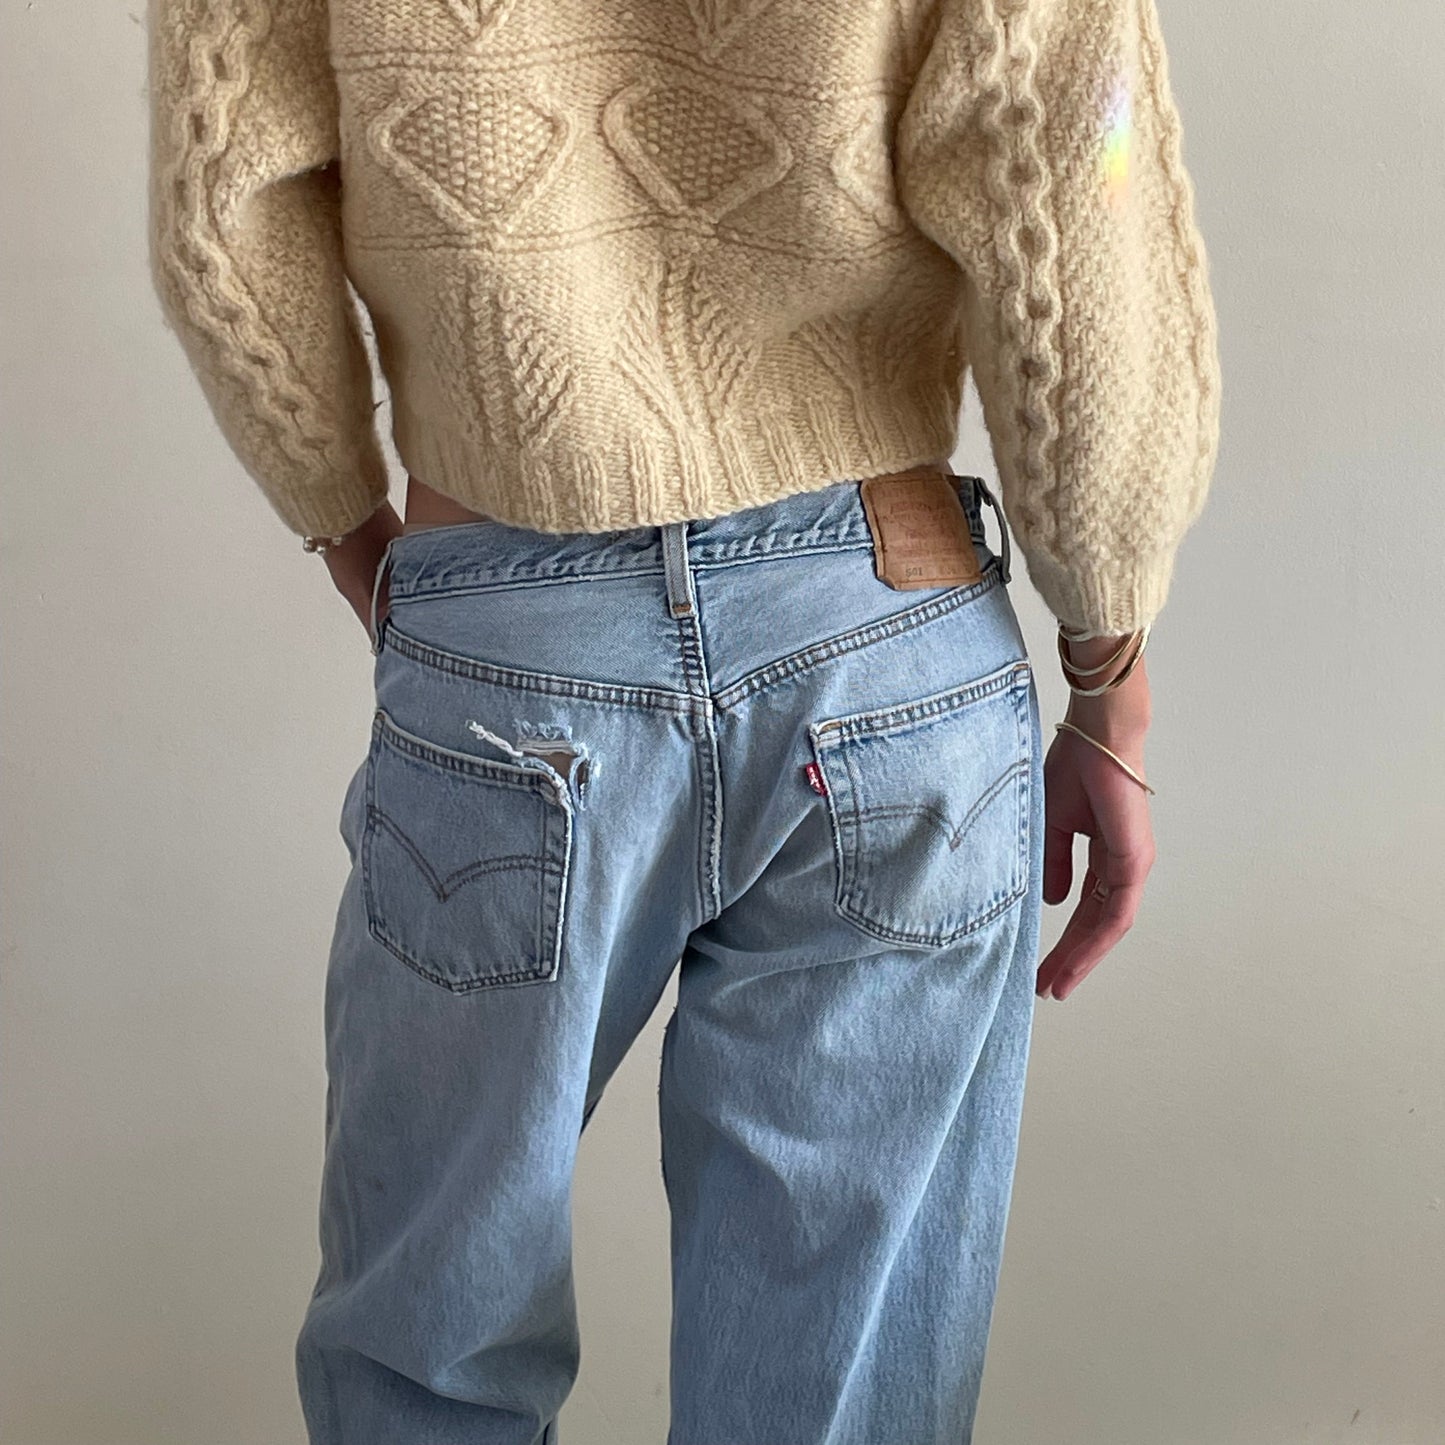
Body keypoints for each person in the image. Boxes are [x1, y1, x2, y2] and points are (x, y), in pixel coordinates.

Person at [146, 0, 1219, 1439]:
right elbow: (1075, 191)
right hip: (882, 651)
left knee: (429, 1338)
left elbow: (222, 206)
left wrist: (355, 532)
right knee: (837, 1386)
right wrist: (1108, 675)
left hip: (508, 648)